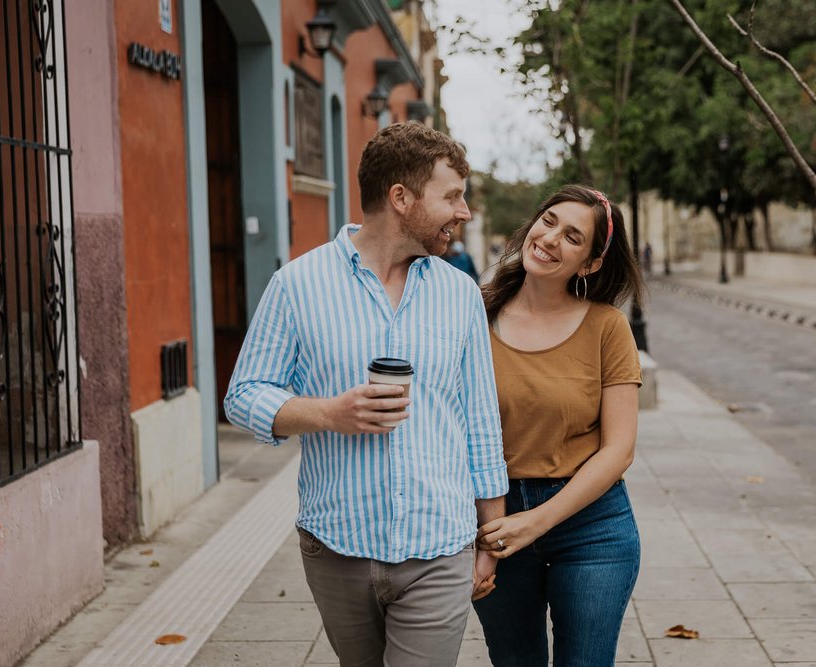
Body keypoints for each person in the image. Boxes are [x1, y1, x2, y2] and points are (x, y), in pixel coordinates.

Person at [224, 122, 508, 666]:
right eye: (451, 196)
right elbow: (244, 395)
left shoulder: (460, 294)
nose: (464, 212)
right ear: (400, 198)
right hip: (336, 546)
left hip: (439, 546)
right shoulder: (297, 285)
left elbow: (481, 420)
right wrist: (328, 413)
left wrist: (487, 541)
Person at [472, 184, 644, 666]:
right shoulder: (474, 315)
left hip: (592, 525)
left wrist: (539, 521)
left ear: (589, 263)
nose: (550, 239)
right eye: (548, 221)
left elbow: (619, 449)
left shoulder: (607, 327)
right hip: (496, 520)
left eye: (573, 236)